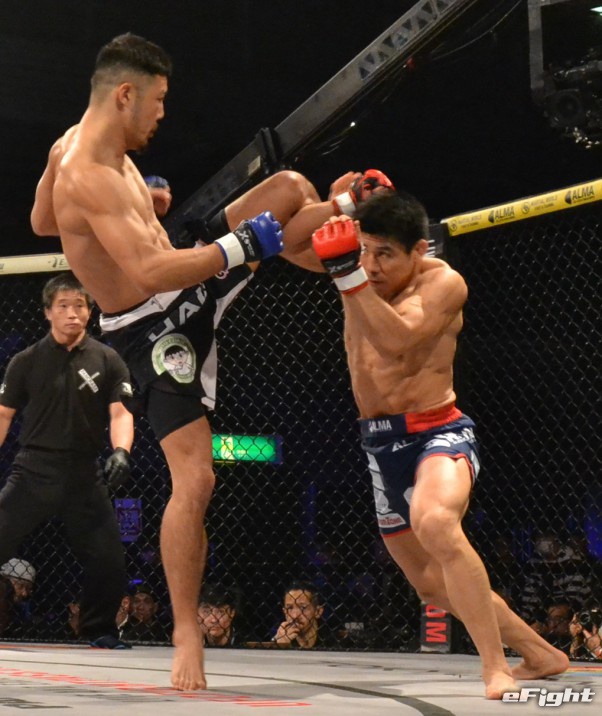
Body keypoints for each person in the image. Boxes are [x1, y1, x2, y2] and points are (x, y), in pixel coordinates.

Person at [29, 32, 387, 689]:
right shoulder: (84, 170)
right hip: (154, 328)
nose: (163, 114)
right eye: (158, 100)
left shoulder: (77, 149)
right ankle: (186, 631)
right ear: (126, 95)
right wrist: (238, 246)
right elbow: (146, 270)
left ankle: (343, 215)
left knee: (289, 187)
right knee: (196, 479)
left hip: (182, 276)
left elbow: (42, 222)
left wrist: (141, 209)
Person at [310, 191, 570, 699]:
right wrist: (338, 204)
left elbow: (397, 340)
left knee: (435, 522)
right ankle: (541, 653)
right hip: (378, 445)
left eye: (385, 254)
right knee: (430, 584)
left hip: (437, 432)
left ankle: (494, 667)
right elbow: (302, 247)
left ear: (419, 250)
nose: (372, 265)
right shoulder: (359, 271)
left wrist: (346, 273)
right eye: (365, 251)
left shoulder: (444, 283)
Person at [0, 272, 134, 649]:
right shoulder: (25, 361)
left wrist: (121, 451)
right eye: (63, 306)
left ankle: (99, 630)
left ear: (90, 311)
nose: (73, 313)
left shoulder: (108, 359)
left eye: (80, 305)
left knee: (108, 557)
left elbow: (121, 412)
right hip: (33, 469)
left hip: (84, 473)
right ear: (48, 312)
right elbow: (4, 414)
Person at [271, 581, 342, 649]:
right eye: (290, 608)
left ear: (317, 612)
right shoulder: (280, 639)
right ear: (285, 612)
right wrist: (280, 646)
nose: (295, 616)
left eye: (303, 608)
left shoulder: (335, 642)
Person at [0, 558, 37, 637]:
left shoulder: (19, 610)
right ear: (6, 581)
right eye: (20, 586)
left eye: (28, 588)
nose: (24, 594)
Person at [197, 583, 239, 647]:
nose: (214, 620)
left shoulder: (247, 644)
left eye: (220, 612)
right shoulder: (188, 642)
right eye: (206, 612)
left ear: (232, 613)